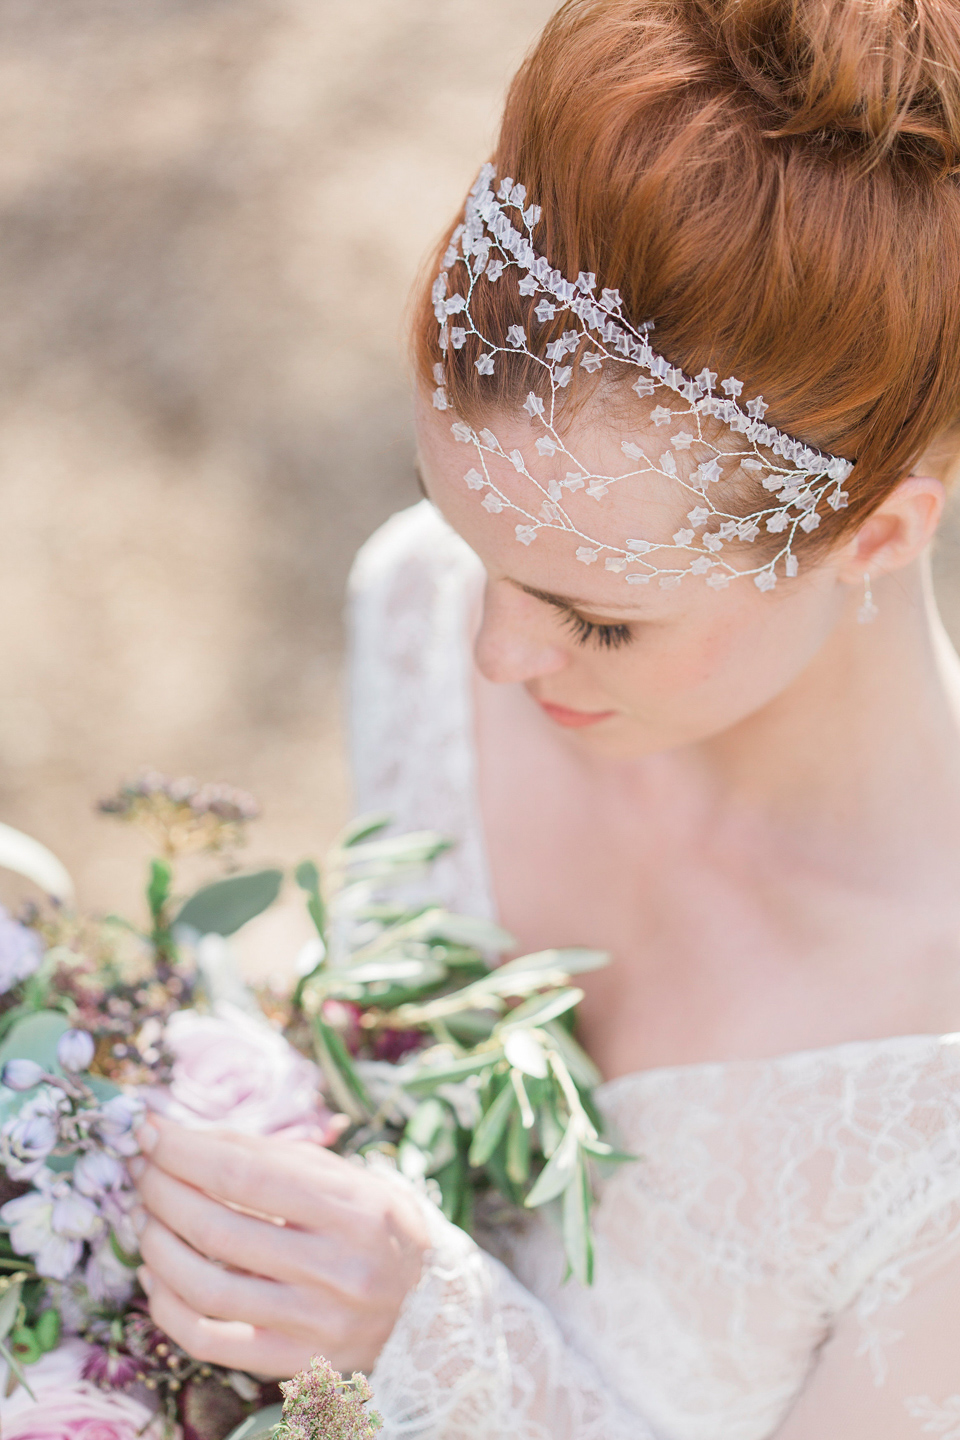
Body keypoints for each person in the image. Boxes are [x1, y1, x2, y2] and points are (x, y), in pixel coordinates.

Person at [130, 0, 960, 1433]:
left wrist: (434, 1349)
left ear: (878, 540)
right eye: (471, 536)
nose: (493, 651)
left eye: (600, 617)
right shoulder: (414, 607)